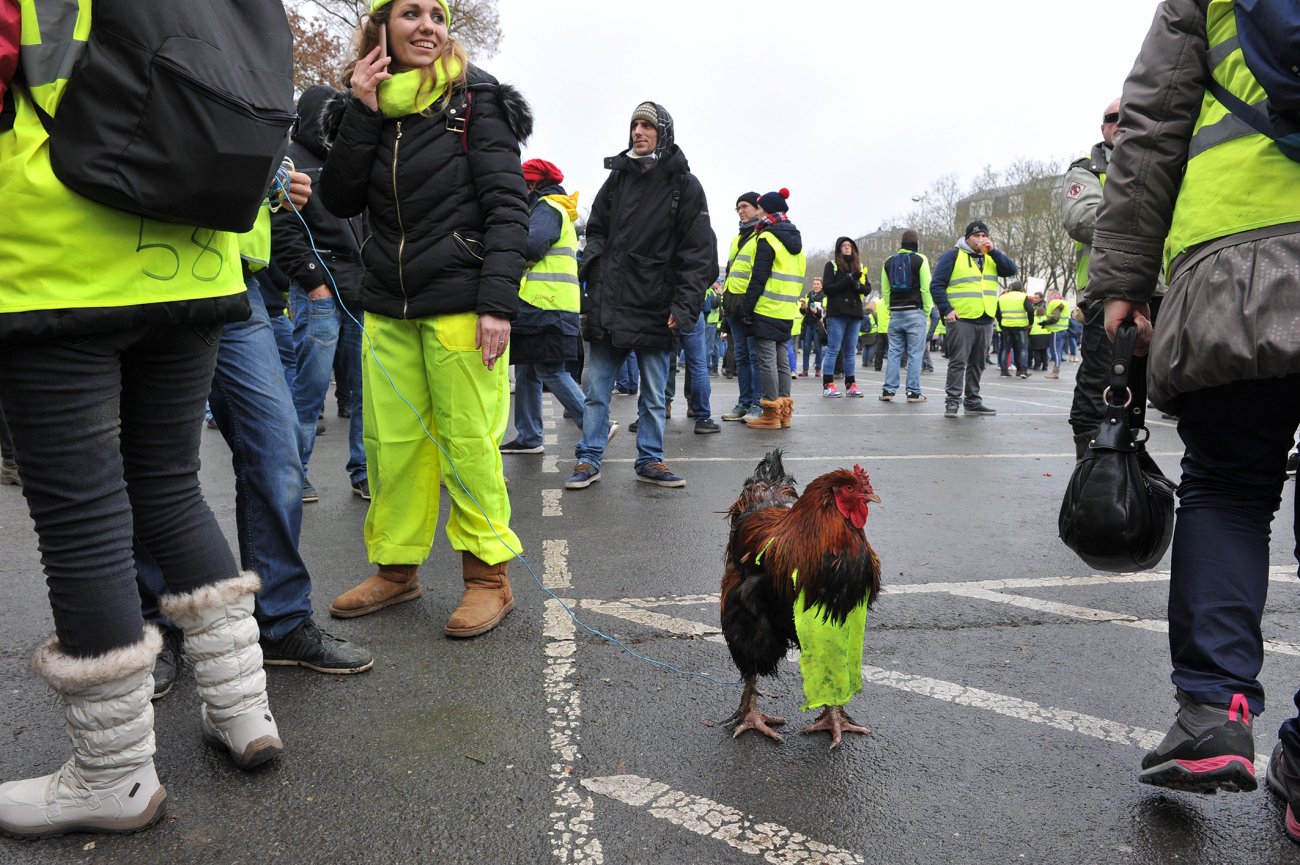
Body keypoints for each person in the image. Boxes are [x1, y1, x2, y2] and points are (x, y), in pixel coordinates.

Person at [0, 3, 288, 836]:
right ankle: (244, 712)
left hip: (59, 253)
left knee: (84, 517)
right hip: (190, 251)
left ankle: (114, 772)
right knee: (170, 486)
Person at [1087, 1, 1300, 831]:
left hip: (1236, 265)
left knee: (1229, 487)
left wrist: (1123, 283)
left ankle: (1214, 711)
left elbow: (1148, 129)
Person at [319, 0, 532, 639]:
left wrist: (497, 304)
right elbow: (337, 198)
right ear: (381, 28)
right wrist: (359, 107)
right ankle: (396, 569)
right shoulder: (370, 109)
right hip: (388, 307)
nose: (429, 27)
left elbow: (508, 207)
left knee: (468, 445)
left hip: (463, 305)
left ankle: (488, 578)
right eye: (412, 13)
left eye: (438, 15)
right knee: (392, 448)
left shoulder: (475, 102)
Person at [564, 101, 717, 490]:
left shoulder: (685, 185)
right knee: (597, 393)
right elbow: (594, 230)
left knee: (652, 396)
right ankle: (588, 458)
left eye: (647, 125)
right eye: (634, 125)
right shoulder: (617, 179)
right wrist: (594, 269)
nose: (638, 132)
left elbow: (699, 255)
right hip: (611, 304)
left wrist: (683, 307)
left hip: (657, 307)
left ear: (662, 131)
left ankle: (650, 460)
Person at [272, 84, 369, 501]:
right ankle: (296, 474)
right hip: (320, 293)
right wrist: (315, 285)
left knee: (368, 392)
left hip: (358, 286)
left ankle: (364, 471)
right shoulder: (291, 161)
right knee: (310, 390)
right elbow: (283, 229)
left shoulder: (347, 163)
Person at [500, 159, 613, 453]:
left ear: (531, 185)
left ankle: (596, 424)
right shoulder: (548, 207)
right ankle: (529, 436)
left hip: (545, 303)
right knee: (527, 367)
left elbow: (532, 246)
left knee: (549, 368)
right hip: (541, 302)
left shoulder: (547, 207)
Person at [930, 221, 1018, 417]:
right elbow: (936, 285)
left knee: (978, 362)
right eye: (977, 236)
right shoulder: (953, 255)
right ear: (967, 238)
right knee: (958, 362)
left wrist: (993, 251)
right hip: (961, 317)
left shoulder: (991, 257)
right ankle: (952, 402)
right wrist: (947, 309)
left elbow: (1011, 270)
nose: (981, 239)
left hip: (985, 317)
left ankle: (972, 401)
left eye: (984, 236)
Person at [737, 189, 805, 430]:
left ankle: (770, 413)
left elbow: (758, 278)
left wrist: (747, 308)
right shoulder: (796, 241)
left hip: (766, 307)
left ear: (765, 209)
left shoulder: (767, 238)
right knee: (782, 361)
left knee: (766, 361)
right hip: (787, 309)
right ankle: (785, 413)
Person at [720, 192, 763, 422]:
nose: (741, 211)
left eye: (745, 206)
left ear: (758, 208)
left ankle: (757, 403)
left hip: (751, 307)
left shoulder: (762, 237)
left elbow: (759, 275)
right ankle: (744, 403)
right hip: (733, 306)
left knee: (755, 357)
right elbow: (730, 272)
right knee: (742, 357)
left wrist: (750, 305)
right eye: (738, 208)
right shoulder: (738, 238)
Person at [879, 229, 933, 402]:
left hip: (895, 313)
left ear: (901, 244)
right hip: (915, 312)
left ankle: (888, 390)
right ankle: (913, 392)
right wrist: (927, 309)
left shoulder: (888, 261)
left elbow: (885, 290)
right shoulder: (921, 259)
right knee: (915, 354)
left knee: (894, 352)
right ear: (916, 243)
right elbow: (925, 288)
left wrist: (890, 308)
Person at [820, 237, 870, 398]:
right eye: (844, 246)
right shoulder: (832, 265)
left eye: (850, 245)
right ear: (839, 249)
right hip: (837, 313)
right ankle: (828, 384)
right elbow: (827, 288)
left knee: (850, 351)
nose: (847, 248)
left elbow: (867, 288)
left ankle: (851, 385)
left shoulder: (860, 267)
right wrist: (848, 281)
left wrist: (857, 285)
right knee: (833, 349)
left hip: (854, 313)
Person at [996, 280, 1034, 378]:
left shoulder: (1002, 297)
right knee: (1022, 349)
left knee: (1006, 349)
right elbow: (1030, 310)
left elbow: (997, 313)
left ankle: (1004, 371)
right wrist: (1030, 323)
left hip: (1006, 326)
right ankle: (1023, 371)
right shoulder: (1023, 296)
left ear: (1011, 288)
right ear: (1021, 288)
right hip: (1020, 326)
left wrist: (1001, 324)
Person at [799, 276, 826, 376]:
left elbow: (825, 310)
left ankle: (818, 368)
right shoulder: (808, 294)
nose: (815, 285)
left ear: (822, 285)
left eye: (818, 284)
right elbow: (803, 312)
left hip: (818, 324)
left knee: (818, 348)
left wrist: (817, 311)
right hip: (807, 324)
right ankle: (805, 369)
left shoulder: (825, 295)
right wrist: (803, 308)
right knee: (806, 347)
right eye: (814, 284)